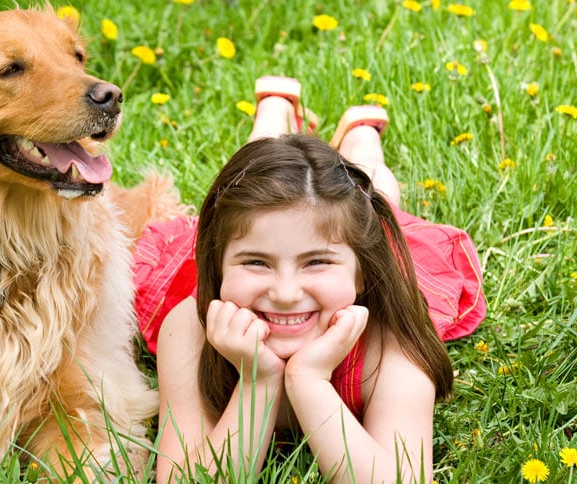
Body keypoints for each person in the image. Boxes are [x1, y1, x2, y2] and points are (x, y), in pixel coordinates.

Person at [135, 76, 486, 482]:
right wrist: (257, 382)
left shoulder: (390, 339)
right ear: (216, 266)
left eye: (316, 262)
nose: (285, 294)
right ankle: (274, 111)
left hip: (361, 235)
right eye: (255, 263)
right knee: (256, 182)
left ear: (362, 271)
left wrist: (309, 381)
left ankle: (362, 140)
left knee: (378, 198)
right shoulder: (190, 329)